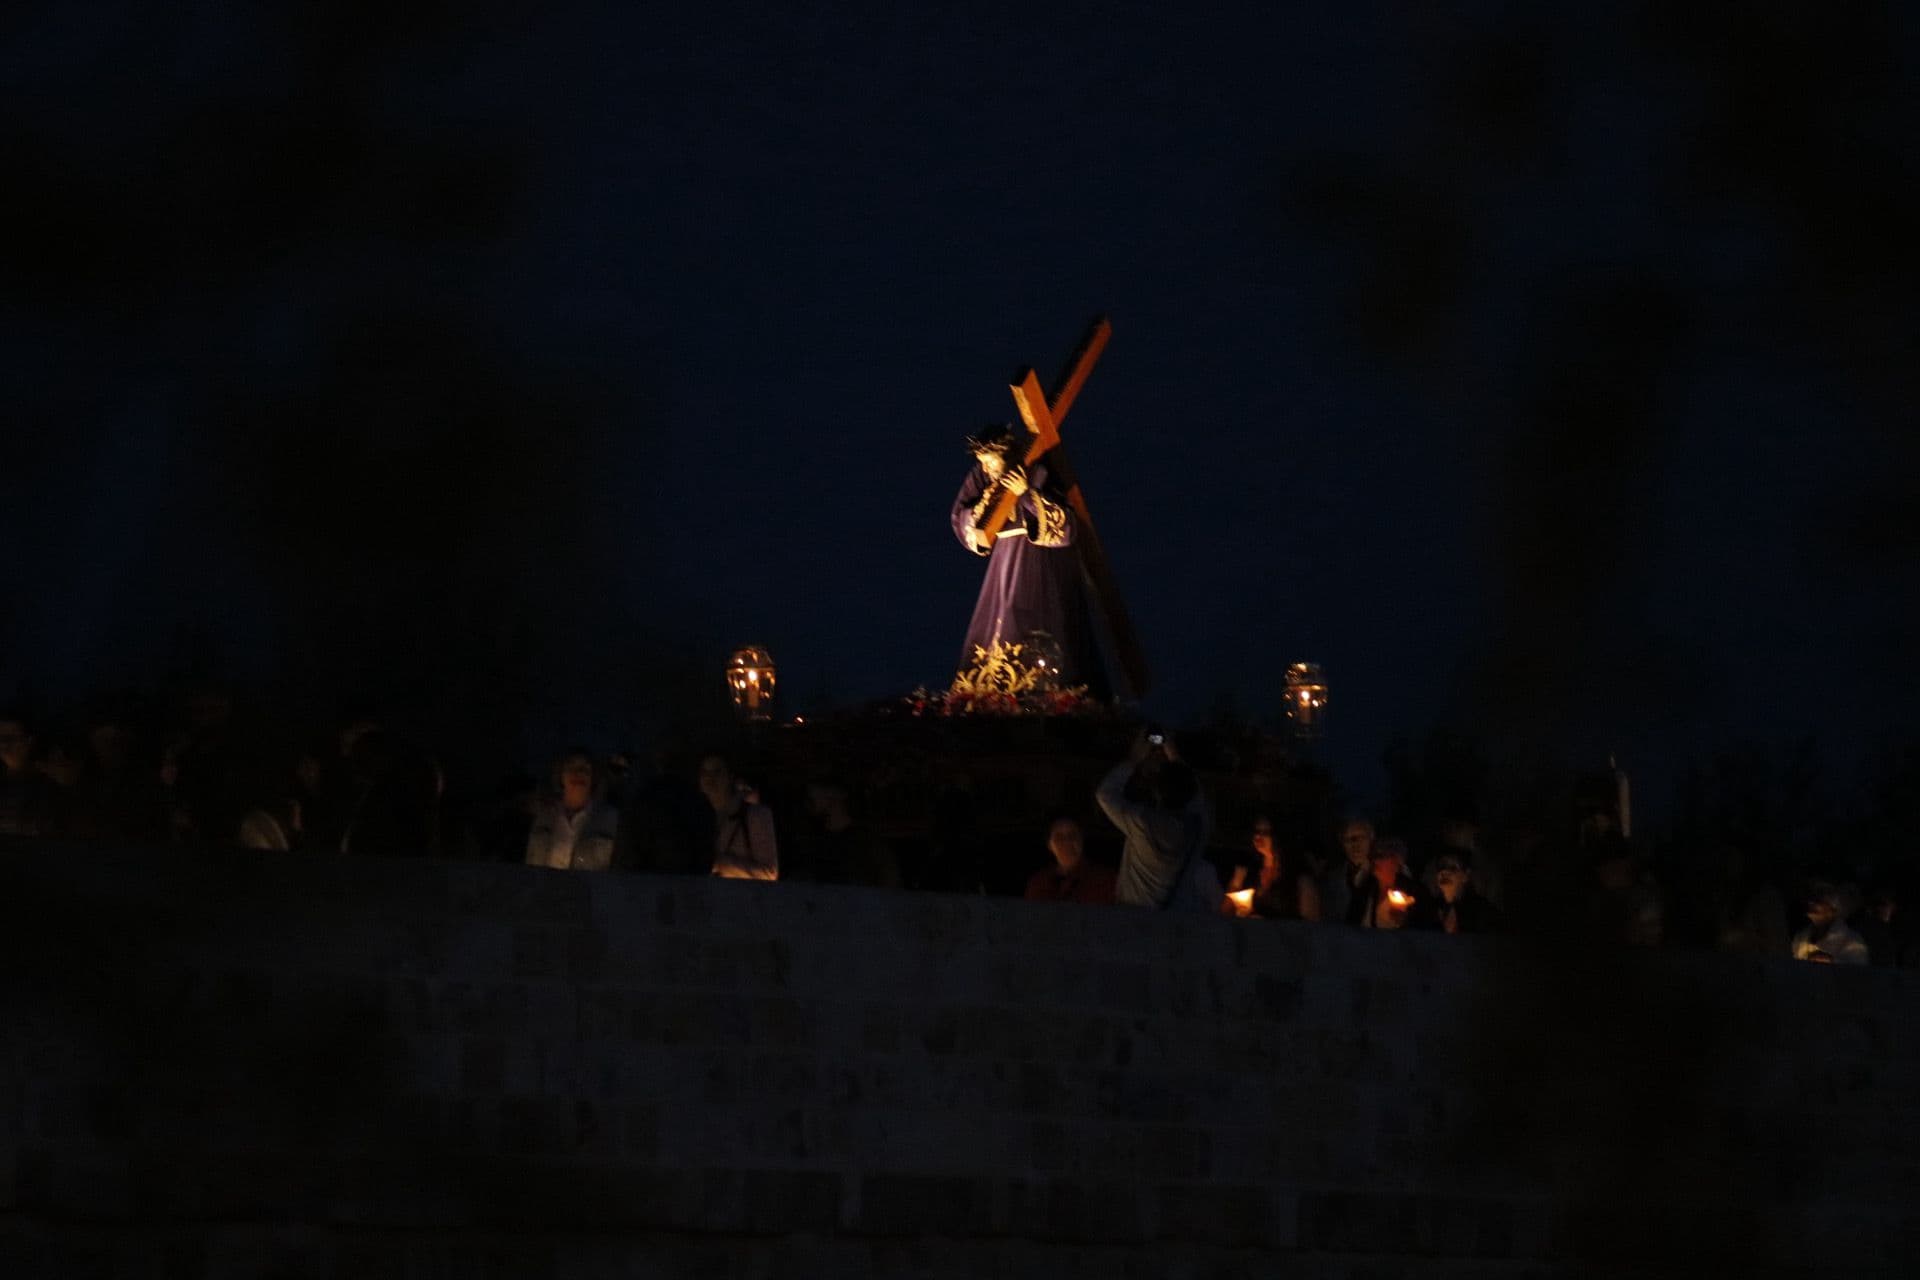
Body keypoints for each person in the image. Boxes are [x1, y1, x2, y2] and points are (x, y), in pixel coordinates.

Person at [950, 424, 1108, 698]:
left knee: (1035, 622)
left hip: (1041, 565)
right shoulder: (982, 478)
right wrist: (981, 509)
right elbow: (960, 516)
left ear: (1006, 455)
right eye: (983, 463)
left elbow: (1067, 527)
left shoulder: (1038, 471)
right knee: (1000, 620)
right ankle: (996, 695)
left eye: (990, 461)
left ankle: (1046, 692)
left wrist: (1027, 494)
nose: (987, 469)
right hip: (1002, 568)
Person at [1097, 728, 1219, 912]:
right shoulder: (1199, 826)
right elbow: (1196, 797)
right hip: (1173, 920)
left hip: (1132, 915)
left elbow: (1104, 793)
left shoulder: (1141, 822)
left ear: (1156, 792)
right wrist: (1174, 756)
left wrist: (1134, 759)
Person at [525, 749, 620, 871]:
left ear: (593, 778)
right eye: (571, 767)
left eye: (585, 769)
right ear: (560, 776)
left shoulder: (610, 819)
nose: (579, 773)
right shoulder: (544, 815)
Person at [802, 777, 899, 887]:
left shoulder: (866, 842)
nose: (811, 795)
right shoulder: (813, 842)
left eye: (820, 788)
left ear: (836, 793)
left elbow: (889, 883)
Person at [699, 753, 777, 880]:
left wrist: (718, 864)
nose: (709, 778)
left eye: (717, 772)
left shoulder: (755, 816)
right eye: (704, 772)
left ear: (730, 777)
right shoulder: (697, 817)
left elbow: (769, 872)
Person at [1226, 815, 1320, 921]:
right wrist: (1236, 883)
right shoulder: (1252, 871)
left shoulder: (1297, 876)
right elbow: (1225, 912)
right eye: (1256, 831)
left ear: (1278, 837)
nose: (1258, 837)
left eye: (1265, 833)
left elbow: (1311, 923)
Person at [1024, 815, 1117, 904]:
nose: (1067, 842)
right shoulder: (1038, 884)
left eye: (1072, 835)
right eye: (1059, 837)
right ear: (1049, 845)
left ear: (1082, 839)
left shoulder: (1106, 880)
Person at [1351, 838, 1433, 930]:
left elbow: (1426, 928)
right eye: (1373, 856)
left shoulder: (1416, 892)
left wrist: (1404, 922)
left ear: (1397, 861)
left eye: (1381, 856)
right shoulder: (1365, 890)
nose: (1375, 861)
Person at [1791, 881, 1870, 965]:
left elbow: (1858, 972)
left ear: (1834, 909)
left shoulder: (1852, 941)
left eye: (1819, 901)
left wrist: (1830, 961)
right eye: (1811, 899)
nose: (1811, 903)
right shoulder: (1801, 937)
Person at [1428, 851, 1503, 934]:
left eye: (1452, 868)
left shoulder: (1482, 911)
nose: (1444, 872)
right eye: (1441, 867)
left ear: (1466, 875)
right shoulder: (1431, 909)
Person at [1326, 818, 1377, 926]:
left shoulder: (1384, 874)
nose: (1355, 844)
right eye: (1348, 840)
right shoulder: (1333, 878)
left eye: (1361, 838)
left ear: (1371, 839)